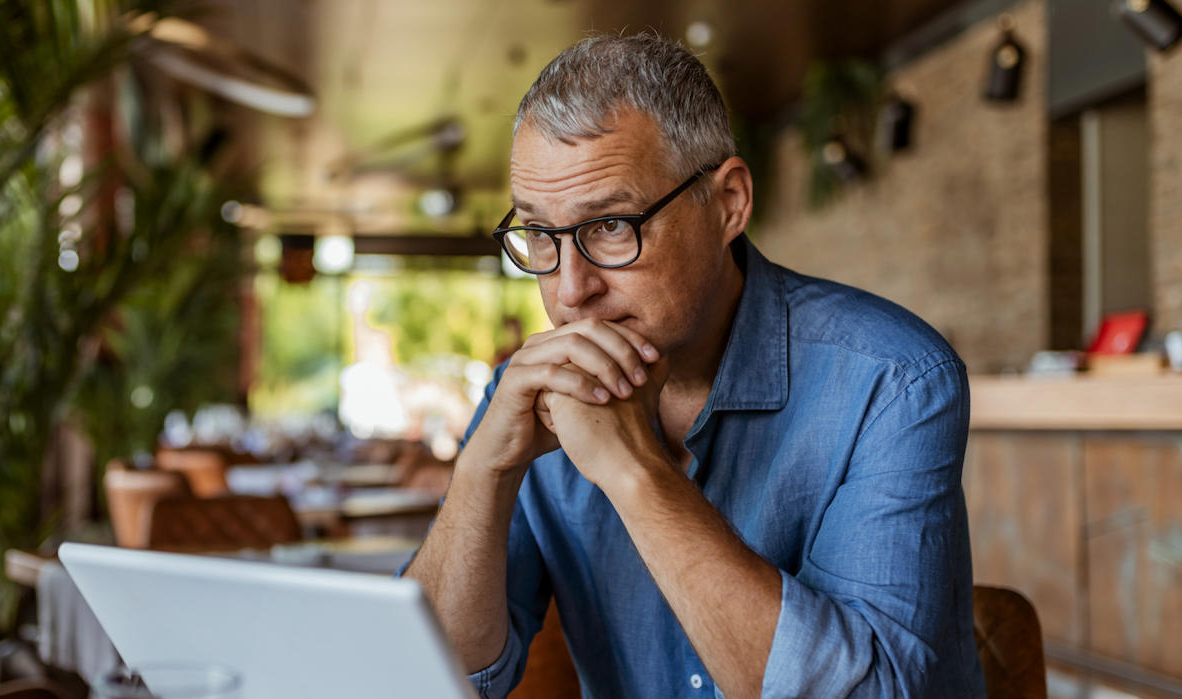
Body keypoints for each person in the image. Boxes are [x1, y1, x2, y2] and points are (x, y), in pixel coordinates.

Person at [403, 33, 986, 698]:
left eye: (613, 225)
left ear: (729, 203)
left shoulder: (892, 380)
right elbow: (420, 683)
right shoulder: (531, 396)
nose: (570, 291)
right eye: (540, 234)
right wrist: (483, 468)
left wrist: (633, 472)